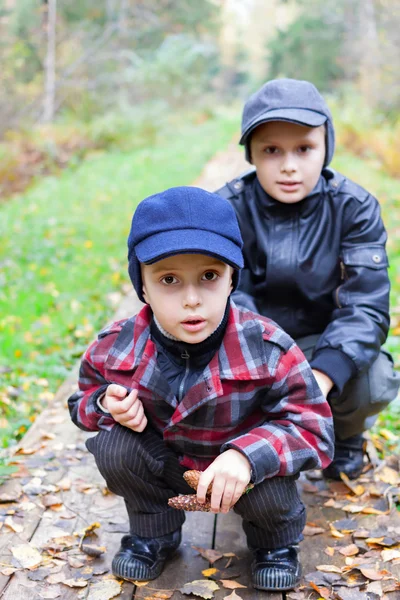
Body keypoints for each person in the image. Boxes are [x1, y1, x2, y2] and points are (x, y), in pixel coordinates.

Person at [68, 186, 334, 592]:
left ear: (231, 280)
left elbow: (314, 427)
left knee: (271, 491)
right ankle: (154, 534)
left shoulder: (268, 347)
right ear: (142, 287)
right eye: (169, 280)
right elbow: (80, 403)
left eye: (209, 276)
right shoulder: (115, 346)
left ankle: (274, 544)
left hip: (247, 476)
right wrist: (105, 403)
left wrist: (248, 456)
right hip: (169, 465)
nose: (192, 299)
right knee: (114, 446)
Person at [216, 78, 400, 481]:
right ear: (251, 154)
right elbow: (226, 295)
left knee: (373, 379)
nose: (288, 166)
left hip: (323, 341)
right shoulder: (226, 209)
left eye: (304, 149)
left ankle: (345, 437)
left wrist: (320, 375)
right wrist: (266, 361)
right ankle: (253, 440)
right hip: (252, 344)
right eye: (271, 151)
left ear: (326, 147)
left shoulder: (354, 207)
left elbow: (365, 306)